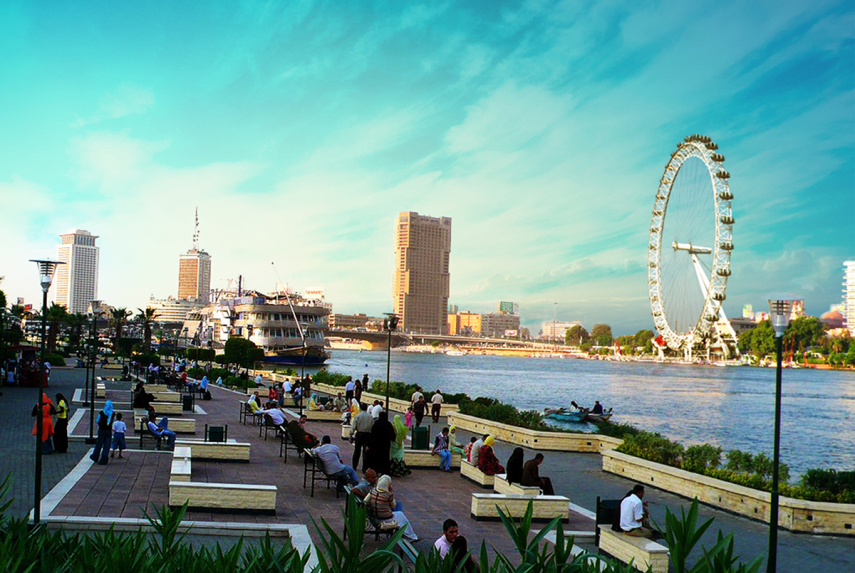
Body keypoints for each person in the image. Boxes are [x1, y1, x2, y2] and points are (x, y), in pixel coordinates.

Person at [364, 475, 418, 541]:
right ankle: (411, 536)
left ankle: (407, 534)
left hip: (375, 518)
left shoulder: (373, 491)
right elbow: (393, 506)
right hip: (384, 519)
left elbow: (365, 501)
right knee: (401, 515)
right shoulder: (388, 494)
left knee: (399, 513)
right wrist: (391, 492)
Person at [368, 411, 395, 476]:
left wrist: (370, 444)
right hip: (385, 445)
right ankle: (385, 471)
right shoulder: (388, 424)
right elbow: (392, 435)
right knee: (385, 458)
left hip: (376, 445)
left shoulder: (376, 424)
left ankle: (376, 470)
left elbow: (372, 434)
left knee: (376, 458)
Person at [350, 402, 374, 470]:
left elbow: (353, 426)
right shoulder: (370, 416)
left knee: (357, 451)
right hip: (368, 435)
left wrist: (351, 434)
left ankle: (354, 465)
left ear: (360, 408)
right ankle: (365, 467)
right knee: (366, 452)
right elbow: (372, 426)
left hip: (359, 434)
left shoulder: (358, 416)